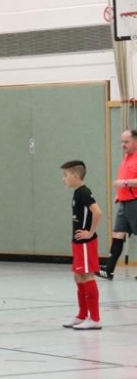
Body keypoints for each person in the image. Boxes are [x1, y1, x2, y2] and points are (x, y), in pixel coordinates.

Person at [61, 160, 103, 330]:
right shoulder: (77, 193)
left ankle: (95, 319)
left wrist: (90, 232)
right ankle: (82, 315)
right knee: (78, 276)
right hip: (78, 242)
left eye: (65, 175)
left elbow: (97, 212)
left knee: (87, 275)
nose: (63, 179)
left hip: (86, 243)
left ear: (75, 176)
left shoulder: (84, 193)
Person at [97, 129, 137, 280]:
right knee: (118, 234)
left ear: (135, 141)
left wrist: (124, 183)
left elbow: (128, 181)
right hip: (124, 202)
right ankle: (109, 270)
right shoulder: (127, 157)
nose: (123, 145)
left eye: (126, 142)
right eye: (121, 142)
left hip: (135, 202)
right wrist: (120, 194)